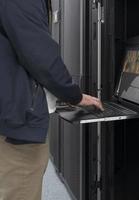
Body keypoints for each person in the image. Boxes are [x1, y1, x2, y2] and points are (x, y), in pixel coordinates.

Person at [0, 0, 103, 199]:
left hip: (11, 115)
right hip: (18, 124)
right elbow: (40, 56)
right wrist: (74, 95)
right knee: (21, 188)